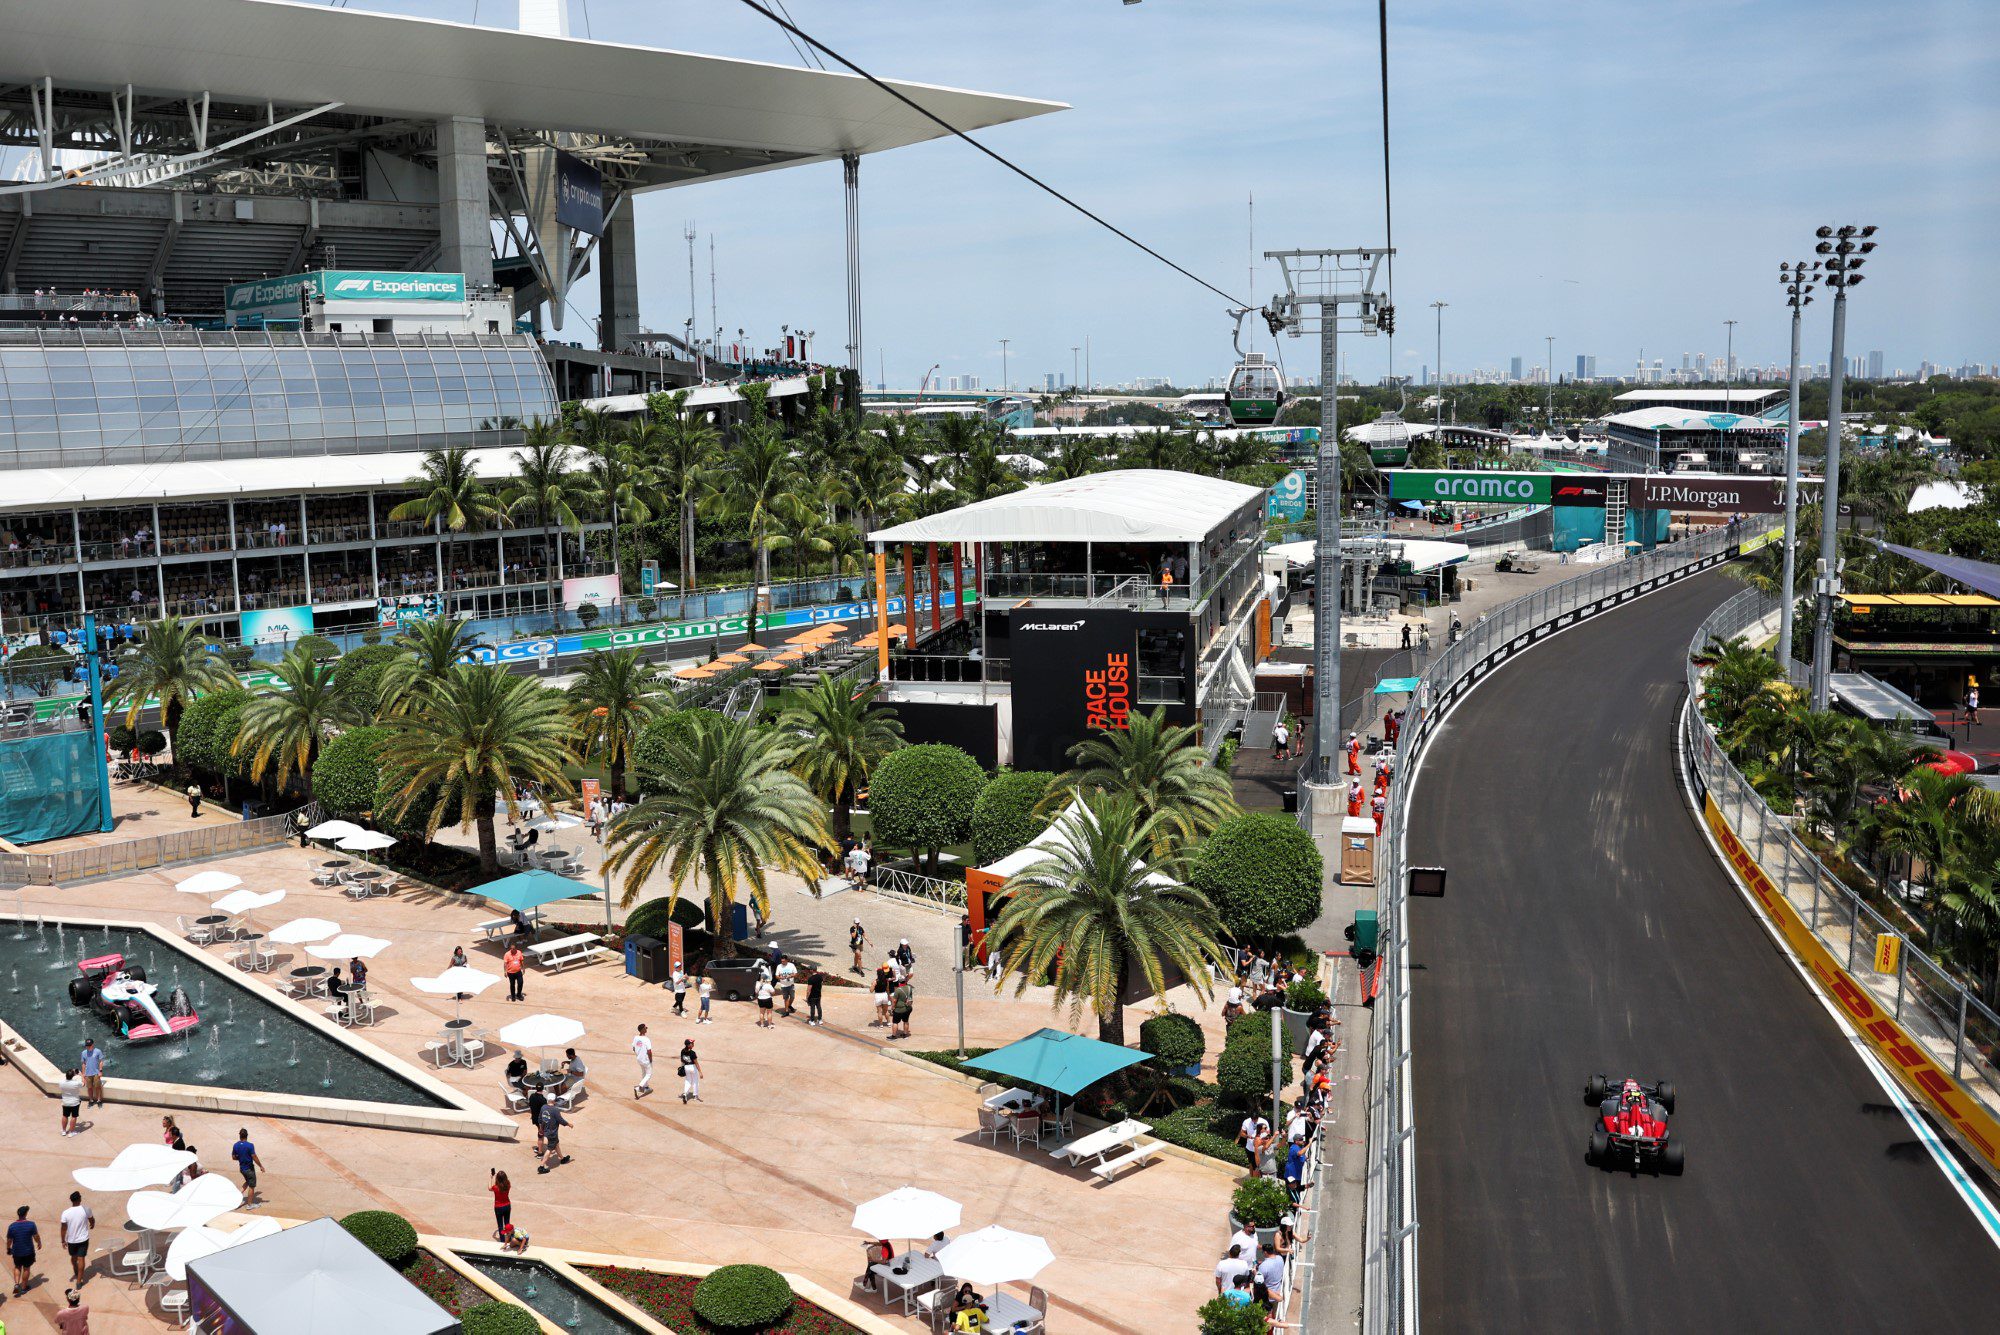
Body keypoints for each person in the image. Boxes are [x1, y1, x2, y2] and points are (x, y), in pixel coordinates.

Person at [58, 1191, 91, 1289]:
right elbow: (91, 1219)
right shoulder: (86, 1209)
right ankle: (79, 1281)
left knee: (74, 1258)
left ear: (71, 1200)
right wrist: (92, 1223)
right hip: (83, 1239)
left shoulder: (66, 1213)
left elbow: (63, 1228)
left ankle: (76, 1271)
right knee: (81, 1258)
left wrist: (63, 1240)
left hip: (71, 1241)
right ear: (80, 1199)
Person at [8, 1204, 39, 1296]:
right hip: (28, 1251)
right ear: (25, 1214)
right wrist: (39, 1243)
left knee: (17, 1267)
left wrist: (8, 1248)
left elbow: (9, 1240)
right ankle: (24, 1287)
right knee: (26, 1268)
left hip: (16, 1251)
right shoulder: (31, 1224)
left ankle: (17, 1284)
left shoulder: (12, 1226)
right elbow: (36, 1236)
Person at [232, 1129, 264, 1209]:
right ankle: (249, 1205)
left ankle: (239, 1194)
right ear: (247, 1135)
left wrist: (241, 1158)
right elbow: (254, 1157)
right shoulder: (250, 1145)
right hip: (249, 1169)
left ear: (240, 1135)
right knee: (252, 1186)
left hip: (242, 1169)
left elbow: (233, 1157)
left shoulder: (235, 1145)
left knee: (248, 1181)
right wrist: (261, 1166)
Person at [535, 1100, 569, 1174]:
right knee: (550, 1149)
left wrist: (541, 1129)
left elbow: (540, 1119)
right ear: (553, 1101)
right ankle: (541, 1166)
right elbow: (561, 1120)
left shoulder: (543, 1107)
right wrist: (569, 1124)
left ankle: (562, 1158)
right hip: (552, 1133)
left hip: (546, 1131)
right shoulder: (555, 1110)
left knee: (556, 1144)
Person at [1255, 1244, 1288, 1308]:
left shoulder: (1263, 1266)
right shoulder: (1280, 1258)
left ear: (1265, 1252)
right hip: (1278, 1291)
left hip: (1268, 1296)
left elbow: (1259, 1281)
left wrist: (1255, 1272)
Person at [58, 1067, 83, 1136]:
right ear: (73, 1076)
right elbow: (83, 1083)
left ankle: (63, 1131)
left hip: (65, 1102)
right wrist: (81, 1075)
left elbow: (66, 1080)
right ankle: (71, 1132)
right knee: (74, 1117)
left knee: (65, 1116)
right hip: (75, 1102)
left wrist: (72, 1074)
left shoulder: (61, 1083)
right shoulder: (76, 1083)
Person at [79, 1039, 103, 1108]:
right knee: (89, 1088)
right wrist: (83, 1074)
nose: (88, 1047)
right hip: (87, 1074)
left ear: (92, 1044)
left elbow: (101, 1061)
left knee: (98, 1087)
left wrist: (100, 1071)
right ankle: (91, 1100)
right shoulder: (83, 1053)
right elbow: (83, 1064)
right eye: (87, 1046)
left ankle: (99, 1100)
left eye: (89, 1045)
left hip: (96, 1073)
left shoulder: (98, 1051)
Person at [489, 1168, 513, 1239]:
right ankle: (509, 1237)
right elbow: (505, 1182)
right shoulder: (508, 1184)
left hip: (498, 1207)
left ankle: (502, 1239)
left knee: (500, 1225)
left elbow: (489, 1188)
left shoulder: (496, 1187)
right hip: (507, 1205)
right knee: (507, 1223)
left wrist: (491, 1178)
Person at [678, 1039, 702, 1103]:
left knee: (688, 1081)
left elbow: (682, 1060)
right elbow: (696, 1063)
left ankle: (685, 1094)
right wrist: (700, 1072)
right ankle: (695, 1096)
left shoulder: (682, 1051)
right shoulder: (692, 1053)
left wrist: (682, 1067)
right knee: (695, 1081)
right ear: (688, 1045)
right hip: (692, 1067)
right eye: (692, 1043)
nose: (693, 1044)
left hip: (686, 1067)